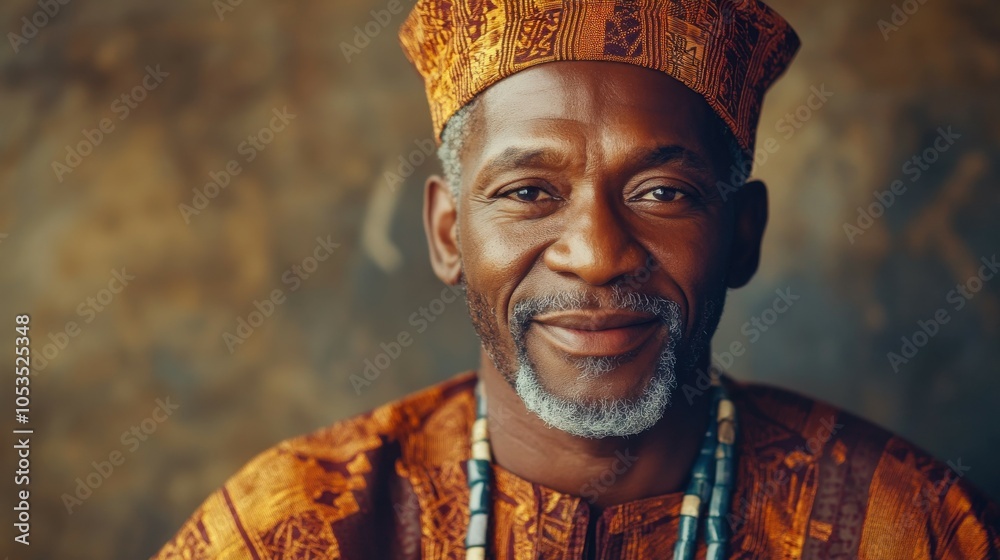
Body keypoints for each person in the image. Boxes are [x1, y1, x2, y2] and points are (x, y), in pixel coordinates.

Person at [154, 0, 1000, 558]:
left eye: (661, 192)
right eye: (529, 193)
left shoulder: (908, 527)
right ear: (450, 234)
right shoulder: (287, 528)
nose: (595, 254)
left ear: (743, 235)